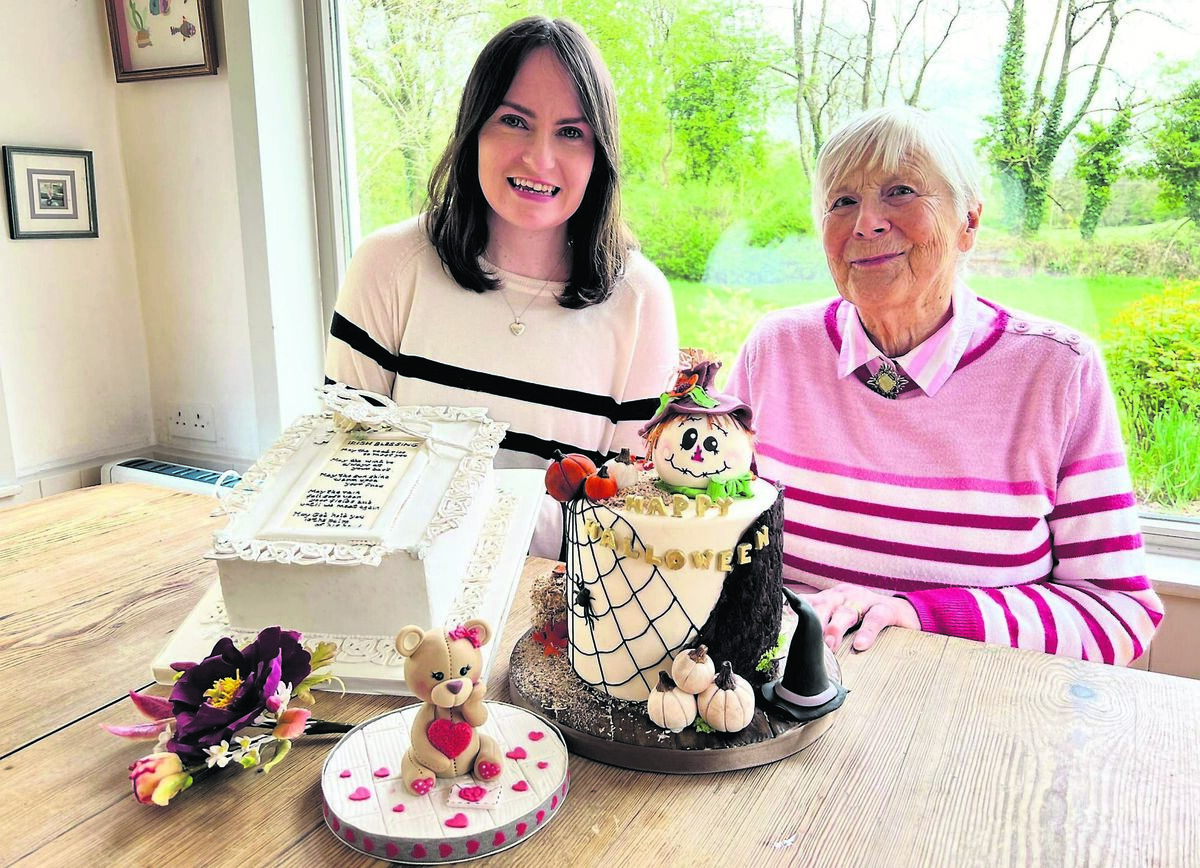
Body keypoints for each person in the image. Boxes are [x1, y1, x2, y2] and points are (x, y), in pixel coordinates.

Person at [727, 106, 1162, 665]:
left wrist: (917, 614)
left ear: (969, 224)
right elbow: (712, 535)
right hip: (790, 700)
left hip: (971, 715)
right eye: (842, 202)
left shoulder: (1057, 370)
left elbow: (1116, 614)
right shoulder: (777, 349)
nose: (866, 223)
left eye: (901, 191)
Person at [325, 17, 678, 558]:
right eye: (514, 120)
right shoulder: (389, 266)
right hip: (397, 597)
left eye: (571, 132)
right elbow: (343, 475)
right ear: (473, 131)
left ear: (598, 156)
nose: (540, 158)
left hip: (560, 612)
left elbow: (632, 517)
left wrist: (467, 511)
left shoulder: (641, 301)